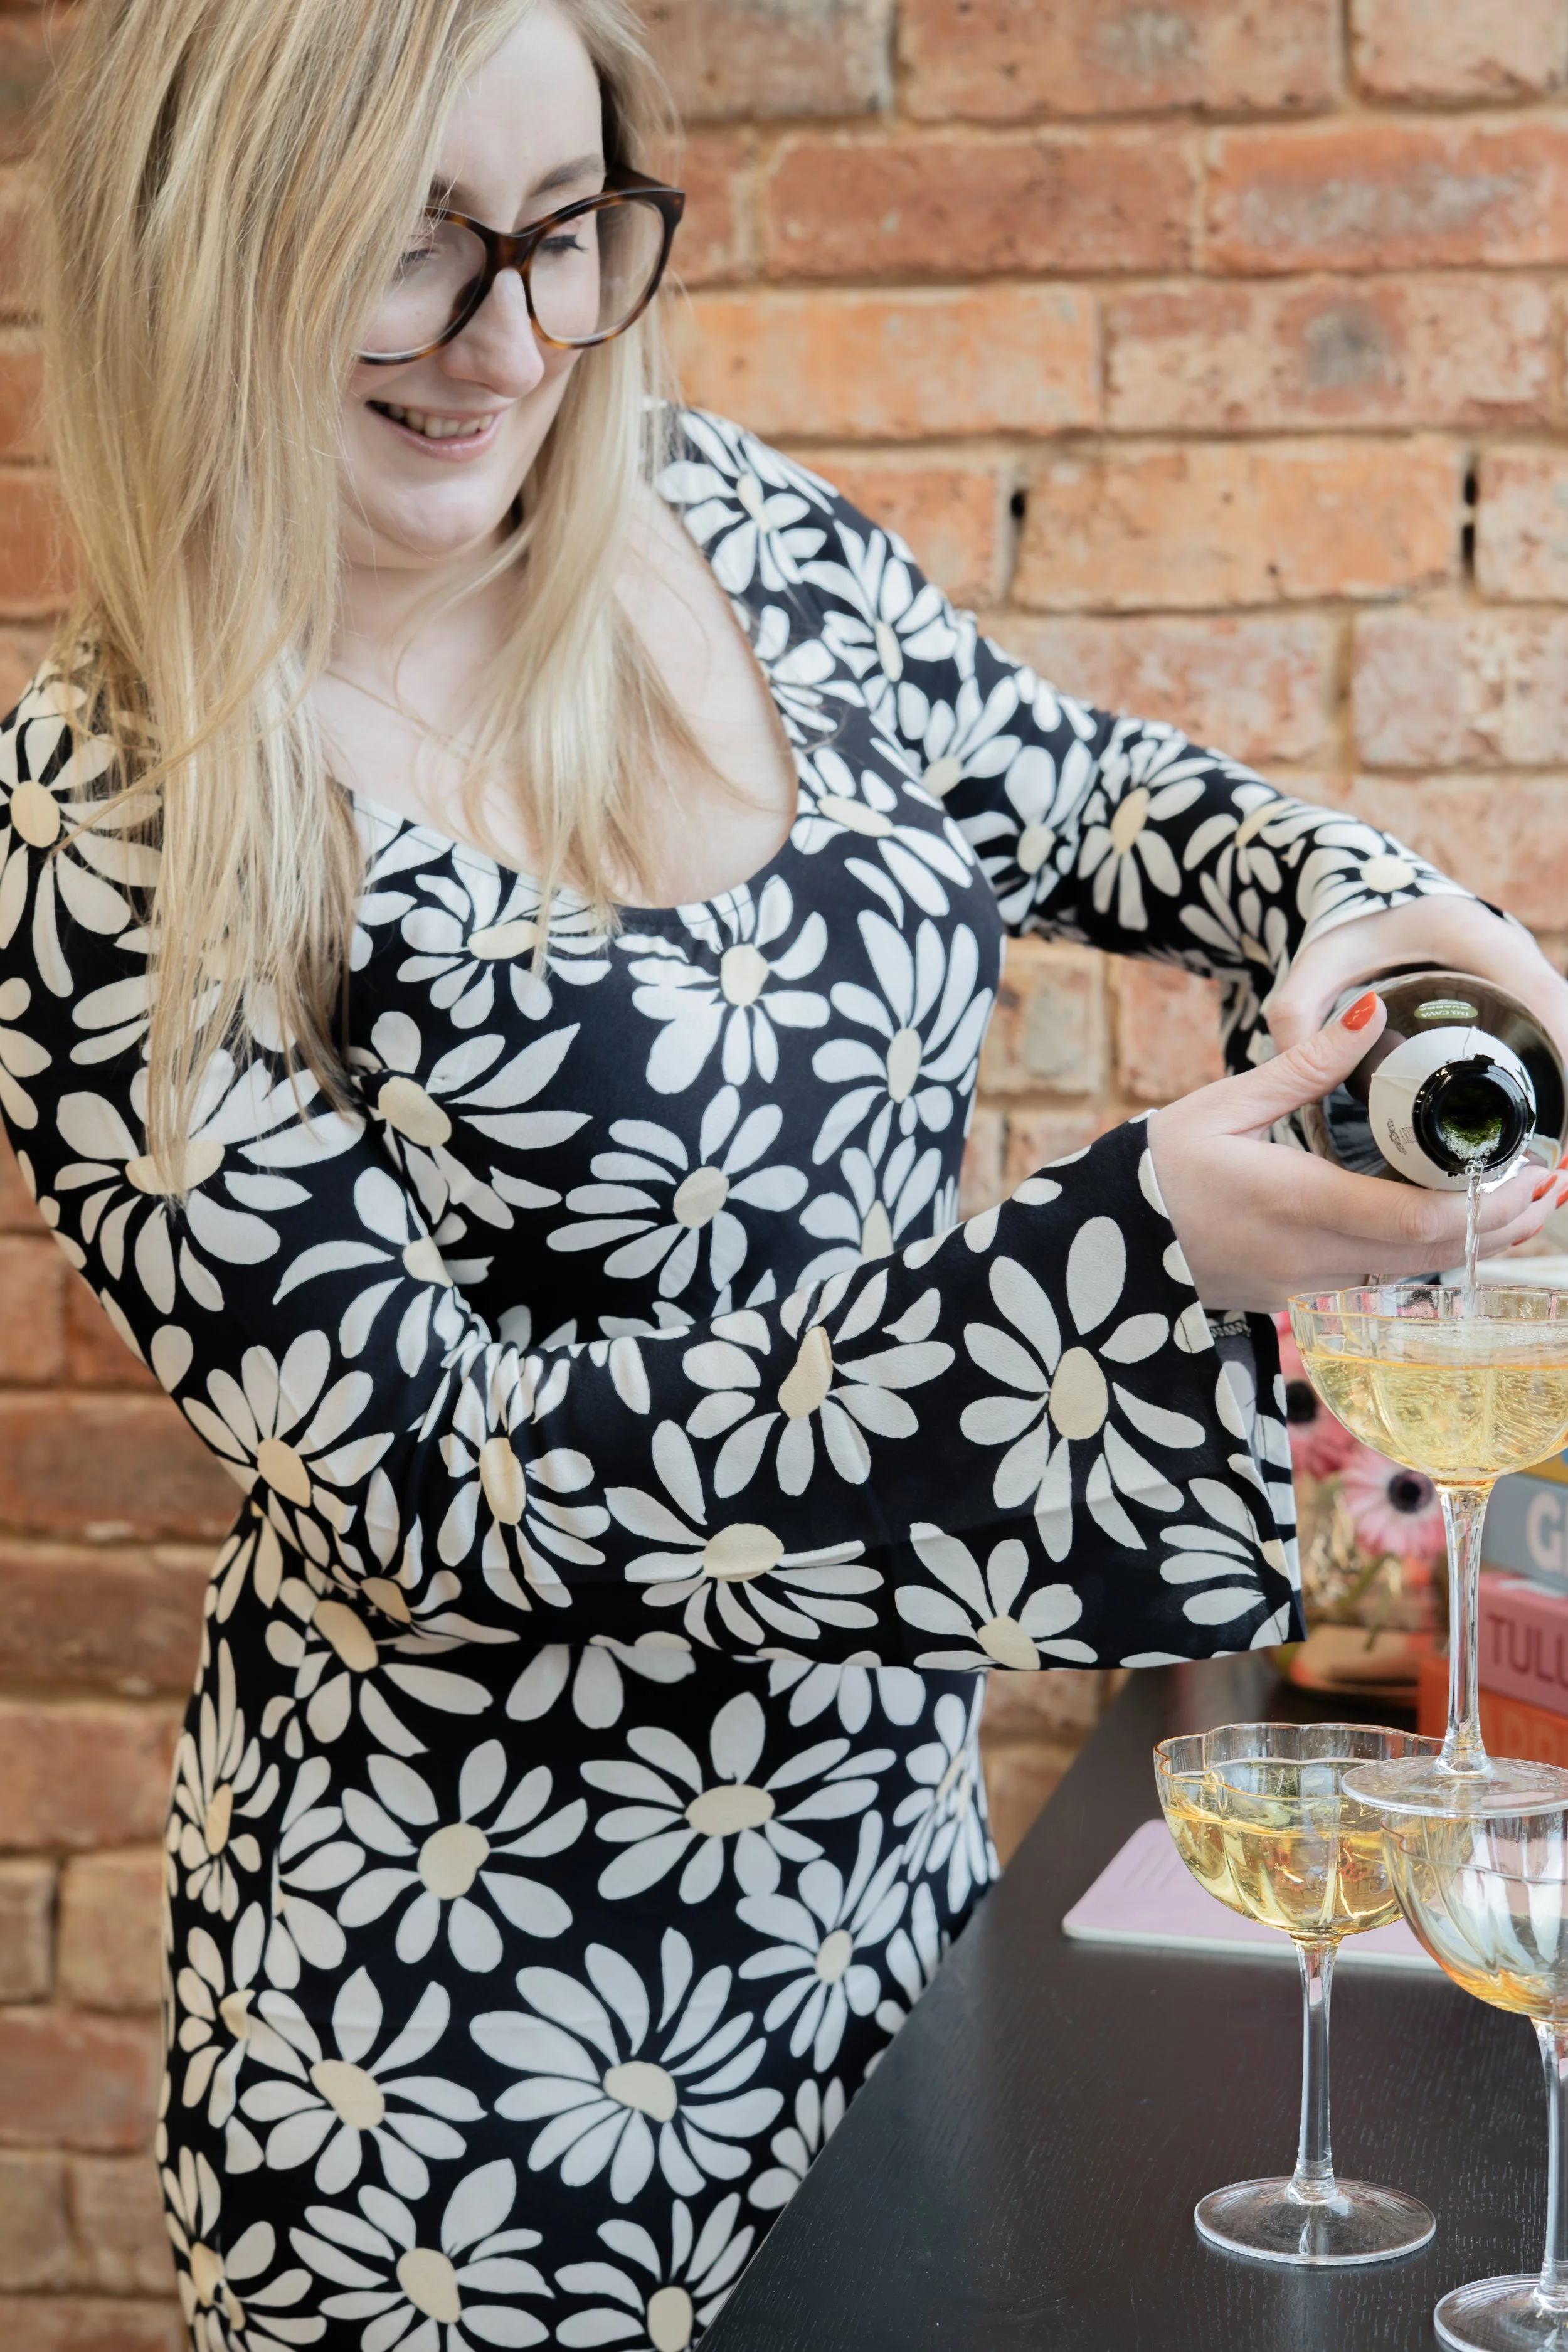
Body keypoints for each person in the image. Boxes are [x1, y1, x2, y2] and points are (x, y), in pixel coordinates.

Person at [4, 0, 1565, 2341]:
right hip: (461, 2054)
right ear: (200, 238)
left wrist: (1366, 901)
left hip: (886, 1918)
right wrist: (1122, 1252)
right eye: (410, 245)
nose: (507, 338)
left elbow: (1093, 799)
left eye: (563, 234)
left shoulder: (720, 527)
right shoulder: (102, 807)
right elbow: (445, 1477)